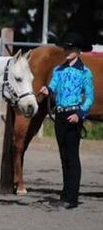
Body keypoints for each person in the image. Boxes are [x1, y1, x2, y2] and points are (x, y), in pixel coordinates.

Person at [39, 33, 94, 209]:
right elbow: (53, 85)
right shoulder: (58, 70)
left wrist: (80, 113)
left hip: (73, 115)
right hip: (60, 116)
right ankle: (65, 193)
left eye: (70, 48)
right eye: (65, 48)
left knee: (72, 156)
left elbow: (89, 97)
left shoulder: (85, 73)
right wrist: (47, 89)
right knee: (64, 156)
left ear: (78, 51)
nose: (66, 51)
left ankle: (72, 197)